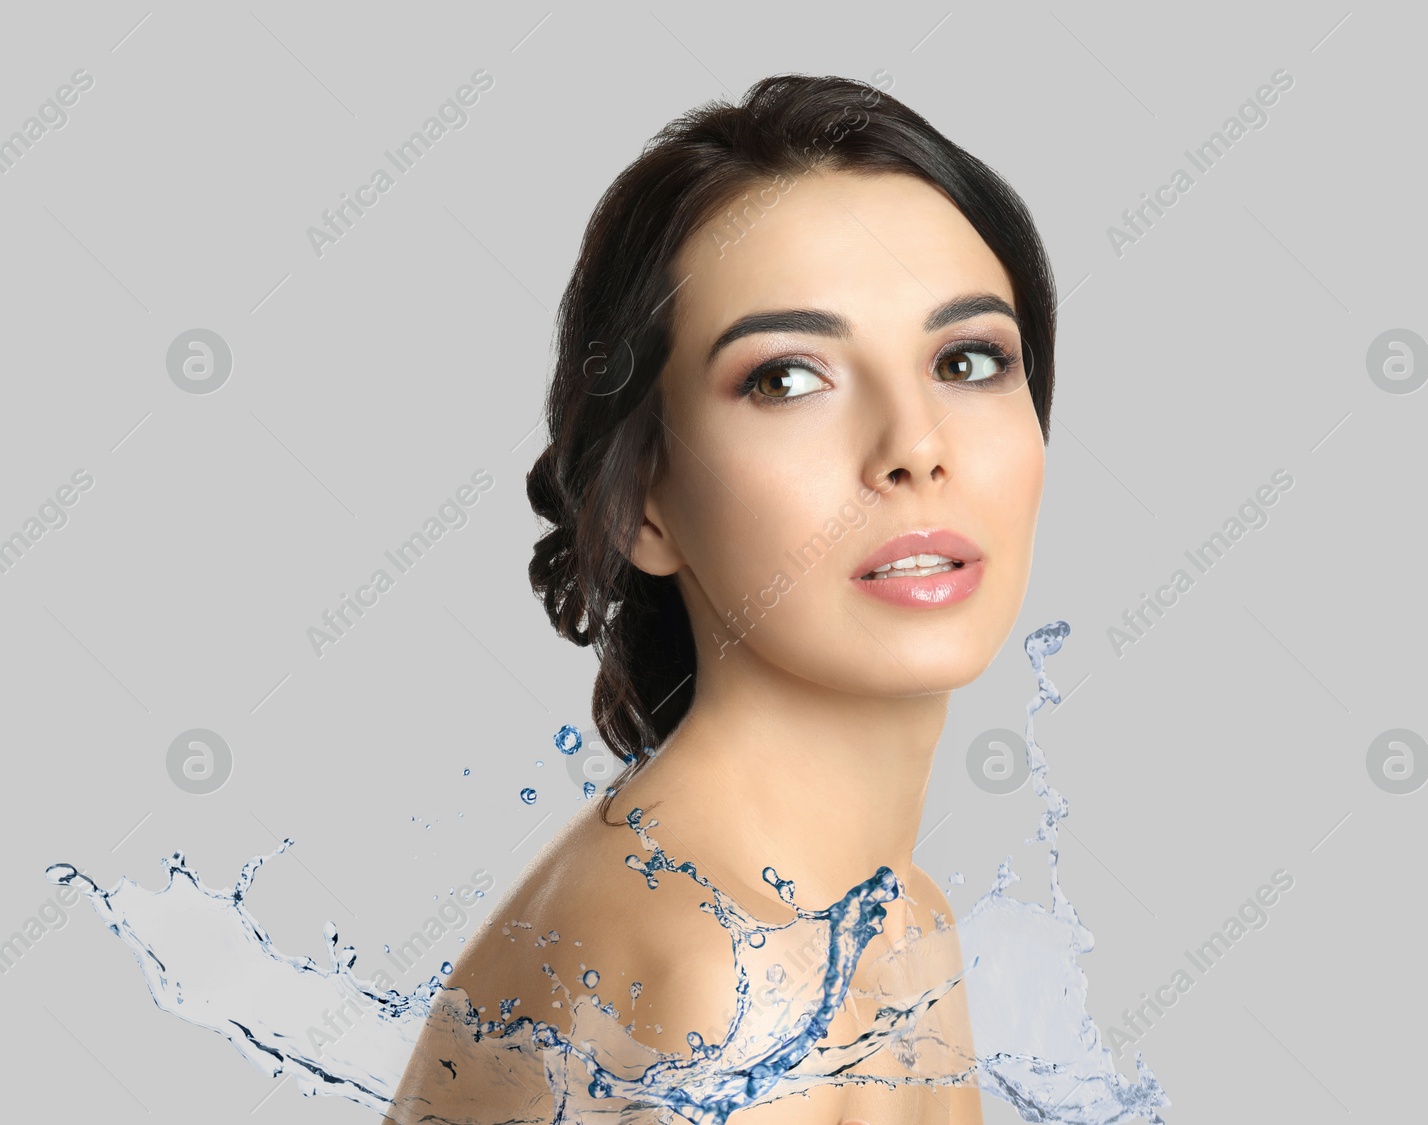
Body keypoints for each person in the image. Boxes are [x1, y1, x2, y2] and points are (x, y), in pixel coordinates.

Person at [388, 72, 1056, 1125]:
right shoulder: (728, 985)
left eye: (968, 359)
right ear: (639, 502)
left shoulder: (895, 925)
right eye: (787, 378)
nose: (916, 447)